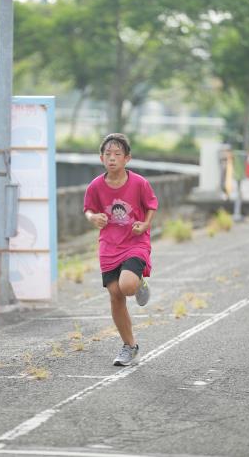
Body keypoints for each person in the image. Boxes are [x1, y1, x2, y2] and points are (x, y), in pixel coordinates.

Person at [84, 133, 158, 367]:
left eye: (117, 154)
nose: (112, 158)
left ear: (127, 158)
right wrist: (93, 217)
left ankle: (139, 282)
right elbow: (88, 209)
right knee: (116, 295)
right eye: (108, 154)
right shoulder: (96, 185)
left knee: (127, 287)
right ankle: (129, 346)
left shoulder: (139, 183)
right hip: (109, 246)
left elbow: (151, 205)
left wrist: (145, 224)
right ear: (101, 158)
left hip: (135, 242)